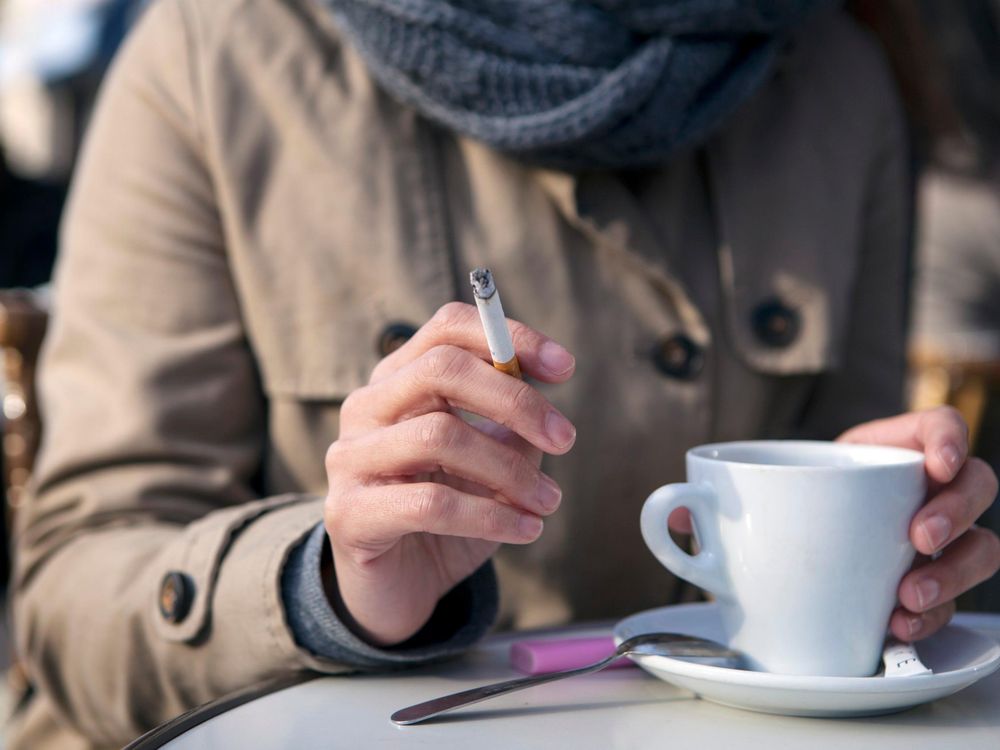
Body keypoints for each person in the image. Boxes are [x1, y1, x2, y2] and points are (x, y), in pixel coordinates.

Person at [9, 1, 1000, 748]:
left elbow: (841, 486)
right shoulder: (216, 54)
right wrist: (328, 585)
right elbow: (74, 593)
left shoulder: (831, 74)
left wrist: (889, 553)